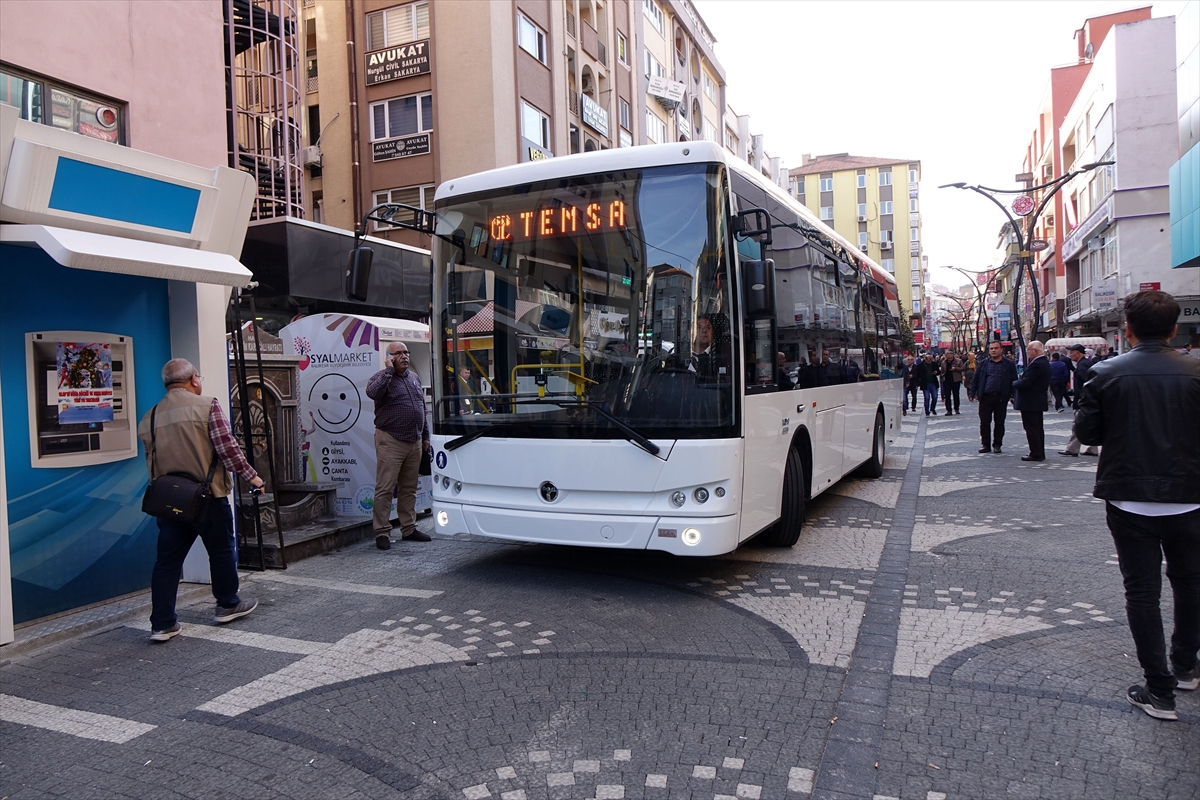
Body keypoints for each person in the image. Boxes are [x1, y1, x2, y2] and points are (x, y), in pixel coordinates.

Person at [1075, 290, 1200, 720]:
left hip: (1129, 496)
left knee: (1142, 592)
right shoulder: (1196, 371)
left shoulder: (1106, 372)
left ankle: (1159, 689)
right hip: (1190, 496)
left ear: (1127, 329)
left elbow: (1088, 434)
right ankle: (1185, 665)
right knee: (1190, 582)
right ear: (1173, 328)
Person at [137, 359, 263, 642]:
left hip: (170, 500)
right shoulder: (207, 405)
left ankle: (162, 623)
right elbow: (227, 449)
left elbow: (151, 462)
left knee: (167, 562)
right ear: (194, 379)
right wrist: (253, 477)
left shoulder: (151, 416)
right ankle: (228, 604)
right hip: (209, 495)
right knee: (220, 550)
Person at [366, 342, 432, 550]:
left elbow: (421, 408)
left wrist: (426, 435)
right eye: (398, 353)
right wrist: (387, 370)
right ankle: (382, 532)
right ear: (389, 357)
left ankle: (409, 528)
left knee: (409, 488)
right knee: (385, 488)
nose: (404, 356)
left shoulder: (414, 378)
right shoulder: (381, 377)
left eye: (406, 352)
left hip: (414, 441)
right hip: (391, 440)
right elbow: (373, 393)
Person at [971, 340, 1016, 453]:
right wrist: (972, 393)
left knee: (999, 422)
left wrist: (1013, 394)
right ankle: (985, 445)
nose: (993, 350)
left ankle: (997, 444)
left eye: (996, 348)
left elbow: (1014, 380)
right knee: (984, 422)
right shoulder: (983, 363)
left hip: (1001, 397)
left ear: (1001, 350)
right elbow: (976, 379)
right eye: (991, 349)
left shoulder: (1009, 364)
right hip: (985, 397)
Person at [1011, 340, 1050, 461]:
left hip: (1030, 401)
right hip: (1037, 400)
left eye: (1029, 350)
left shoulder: (1036, 364)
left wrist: (1014, 383)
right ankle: (1039, 451)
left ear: (1035, 351)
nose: (1027, 352)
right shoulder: (1044, 362)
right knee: (1037, 427)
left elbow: (1026, 382)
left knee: (1031, 427)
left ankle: (1036, 452)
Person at [1059, 344, 1099, 457]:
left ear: (1078, 352)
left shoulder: (1083, 365)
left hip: (1083, 400)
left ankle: (1072, 448)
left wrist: (1082, 397)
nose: (1070, 355)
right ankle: (1092, 448)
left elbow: (1087, 383)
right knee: (1088, 423)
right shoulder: (1085, 364)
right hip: (1086, 399)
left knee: (1077, 424)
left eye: (1072, 352)